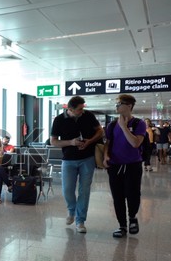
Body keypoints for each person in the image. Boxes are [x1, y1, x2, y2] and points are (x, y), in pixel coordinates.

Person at [50, 96, 104, 233]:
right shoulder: (59, 120)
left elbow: (100, 131)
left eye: (83, 107)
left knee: (84, 190)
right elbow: (54, 141)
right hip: (68, 159)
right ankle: (71, 210)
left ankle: (80, 220)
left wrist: (89, 141)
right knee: (67, 189)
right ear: (70, 109)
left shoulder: (88, 116)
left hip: (87, 158)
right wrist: (71, 142)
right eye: (80, 109)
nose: (82, 111)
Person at [103, 94, 146, 238]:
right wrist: (105, 156)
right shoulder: (111, 125)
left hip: (133, 165)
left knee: (132, 193)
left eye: (119, 104)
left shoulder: (139, 123)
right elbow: (107, 144)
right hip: (115, 165)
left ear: (129, 106)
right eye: (116, 104)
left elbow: (135, 143)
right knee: (118, 196)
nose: (116, 106)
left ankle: (132, 217)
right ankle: (122, 225)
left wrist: (124, 126)